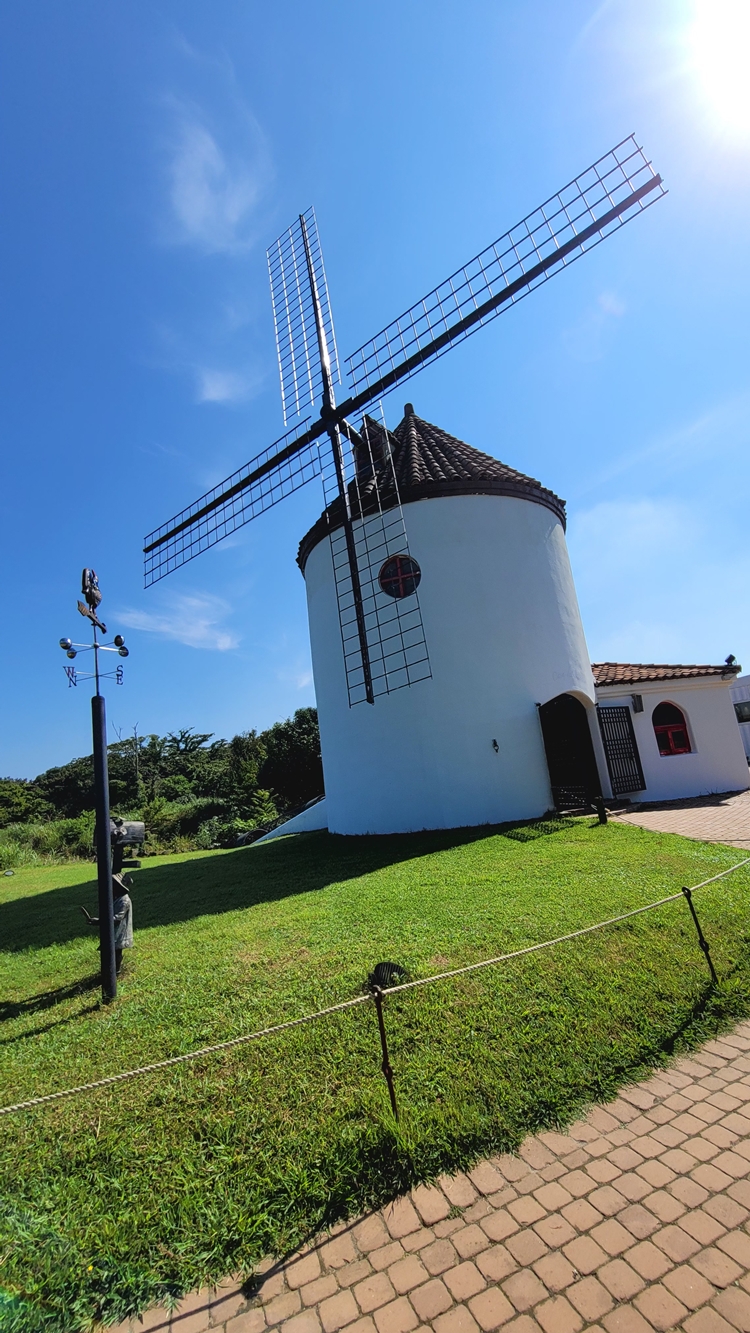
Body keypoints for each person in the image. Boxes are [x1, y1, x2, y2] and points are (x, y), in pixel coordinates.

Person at [79, 872, 133, 973]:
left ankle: (115, 971)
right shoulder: (116, 898)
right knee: (110, 951)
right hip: (114, 932)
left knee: (116, 952)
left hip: (120, 933)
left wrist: (100, 921)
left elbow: (117, 918)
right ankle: (109, 971)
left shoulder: (124, 901)